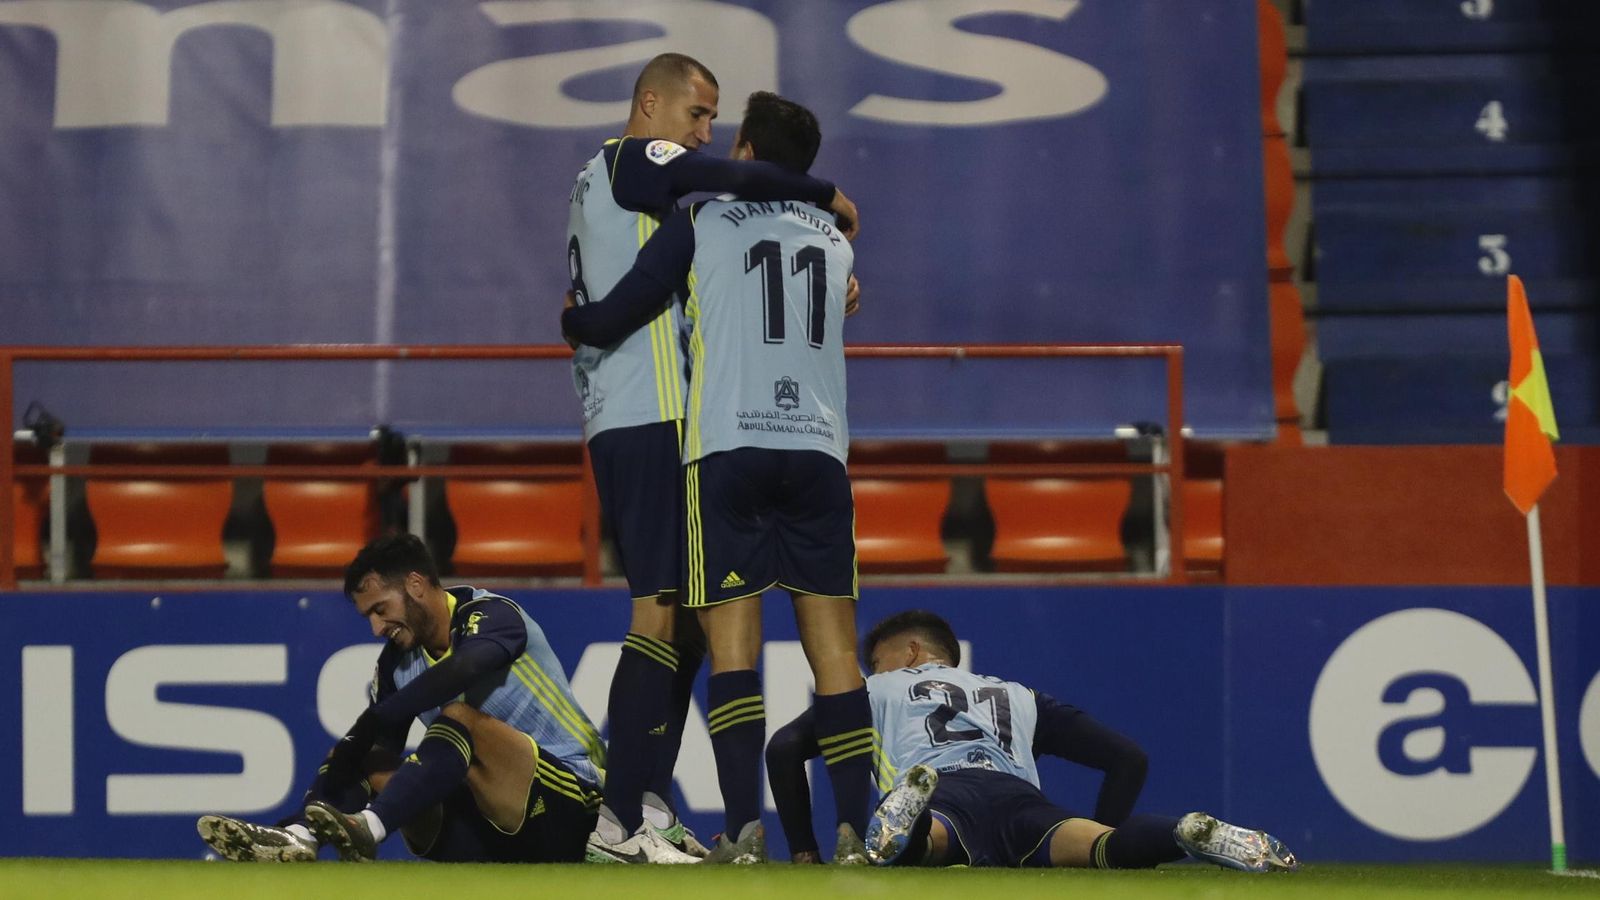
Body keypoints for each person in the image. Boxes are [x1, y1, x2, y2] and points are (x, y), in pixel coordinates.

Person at [565, 51, 860, 865]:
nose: (702, 134)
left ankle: (649, 804)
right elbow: (732, 180)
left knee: (693, 618)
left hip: (628, 410)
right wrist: (825, 197)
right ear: (649, 104)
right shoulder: (634, 161)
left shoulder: (616, 189)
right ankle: (619, 820)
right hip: (657, 410)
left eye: (714, 122)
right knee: (660, 612)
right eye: (696, 114)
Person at [766, 610, 1301, 873]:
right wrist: (1107, 825)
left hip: (945, 792)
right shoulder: (1018, 694)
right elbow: (1128, 758)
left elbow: (783, 749)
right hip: (1021, 799)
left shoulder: (869, 690)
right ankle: (1183, 833)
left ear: (908, 652)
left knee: (920, 848)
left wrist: (804, 851)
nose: (873, 668)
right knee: (1100, 847)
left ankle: (914, 814)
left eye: (877, 659)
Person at [196, 534, 604, 863]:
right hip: (487, 832)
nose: (376, 628)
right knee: (364, 753)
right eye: (368, 617)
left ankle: (370, 828)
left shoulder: (492, 614)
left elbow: (464, 668)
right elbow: (373, 748)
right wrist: (319, 798)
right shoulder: (396, 664)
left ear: (415, 584)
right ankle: (299, 836)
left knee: (459, 716)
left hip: (572, 806)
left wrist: (378, 716)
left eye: (380, 609)